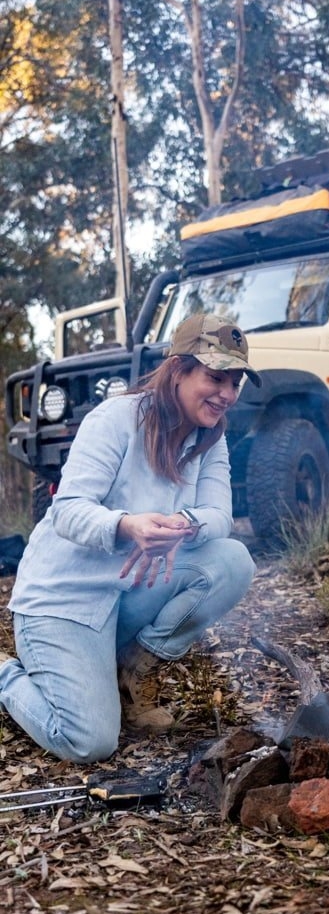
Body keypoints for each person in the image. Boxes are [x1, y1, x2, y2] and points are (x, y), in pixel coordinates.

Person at [0, 313, 260, 763]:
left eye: (235, 383)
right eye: (216, 378)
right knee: (90, 743)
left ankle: (131, 671)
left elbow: (220, 516)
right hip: (64, 602)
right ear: (178, 370)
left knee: (232, 561)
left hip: (127, 593)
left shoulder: (210, 438)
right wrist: (128, 525)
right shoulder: (116, 419)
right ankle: (8, 675)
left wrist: (184, 523)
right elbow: (67, 510)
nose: (226, 395)